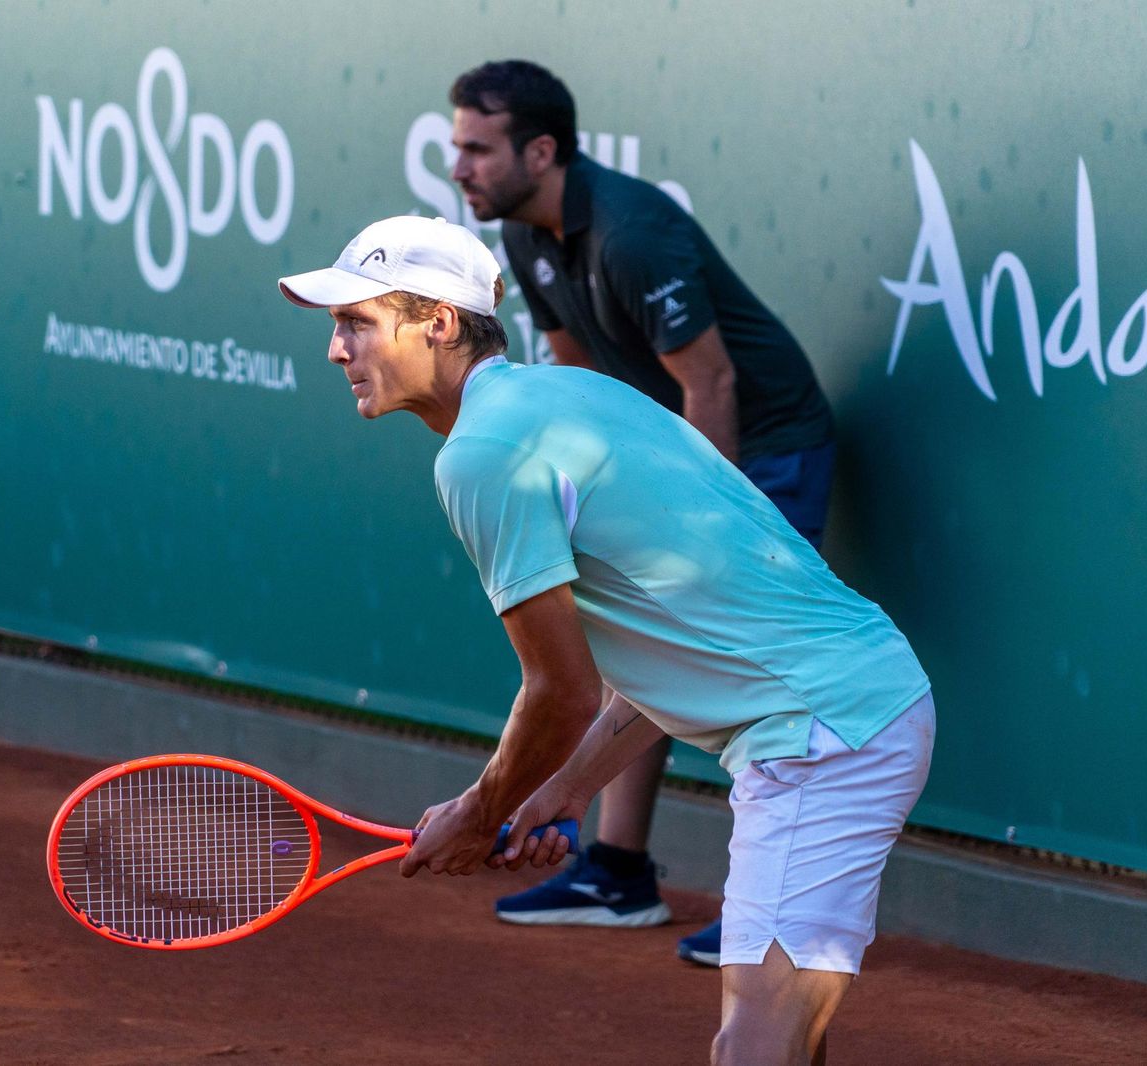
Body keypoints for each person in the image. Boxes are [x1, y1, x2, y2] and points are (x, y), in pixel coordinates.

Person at [278, 214, 934, 1066]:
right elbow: (685, 630)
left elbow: (561, 691)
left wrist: (483, 812)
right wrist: (561, 789)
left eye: (356, 323)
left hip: (824, 735)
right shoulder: (579, 394)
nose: (337, 350)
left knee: (752, 1047)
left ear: (437, 323)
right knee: (782, 1039)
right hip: (857, 699)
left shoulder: (481, 456)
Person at [447, 59, 837, 964]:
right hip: (666, 457)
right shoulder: (526, 240)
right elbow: (581, 379)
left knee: (740, 659)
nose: (459, 165)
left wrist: (710, 538)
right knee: (640, 648)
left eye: (477, 147)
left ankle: (776, 914)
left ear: (541, 151)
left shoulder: (631, 233)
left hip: (761, 446)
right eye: (455, 145)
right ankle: (618, 873)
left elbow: (713, 383)